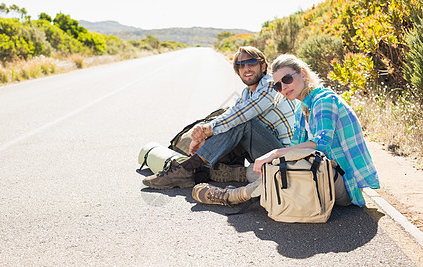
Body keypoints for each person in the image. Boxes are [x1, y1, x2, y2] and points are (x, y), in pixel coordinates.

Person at [193, 54, 380, 207]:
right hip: (321, 173)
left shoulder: (324, 100)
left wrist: (275, 153)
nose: (283, 88)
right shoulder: (301, 109)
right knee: (266, 169)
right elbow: (295, 148)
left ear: (303, 74)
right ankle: (245, 181)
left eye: (287, 79)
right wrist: (272, 161)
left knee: (288, 169)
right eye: (278, 85)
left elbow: (321, 145)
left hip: (343, 183)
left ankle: (232, 196)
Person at [142, 47, 297, 189]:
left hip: (286, 155)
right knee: (231, 121)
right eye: (241, 65)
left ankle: (186, 170)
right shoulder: (245, 94)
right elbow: (230, 116)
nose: (246, 68)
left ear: (263, 67)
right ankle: (207, 170)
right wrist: (203, 138)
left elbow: (240, 115)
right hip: (264, 153)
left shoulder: (272, 84)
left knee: (243, 122)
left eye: (251, 62)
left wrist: (207, 131)